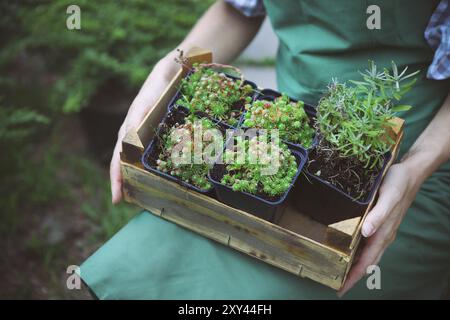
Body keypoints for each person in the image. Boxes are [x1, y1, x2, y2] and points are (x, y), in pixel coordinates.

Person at [81, 0, 450, 299]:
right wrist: (170, 65)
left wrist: (415, 168)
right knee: (137, 266)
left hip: (403, 164)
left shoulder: (408, 165)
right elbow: (238, 9)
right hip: (283, 125)